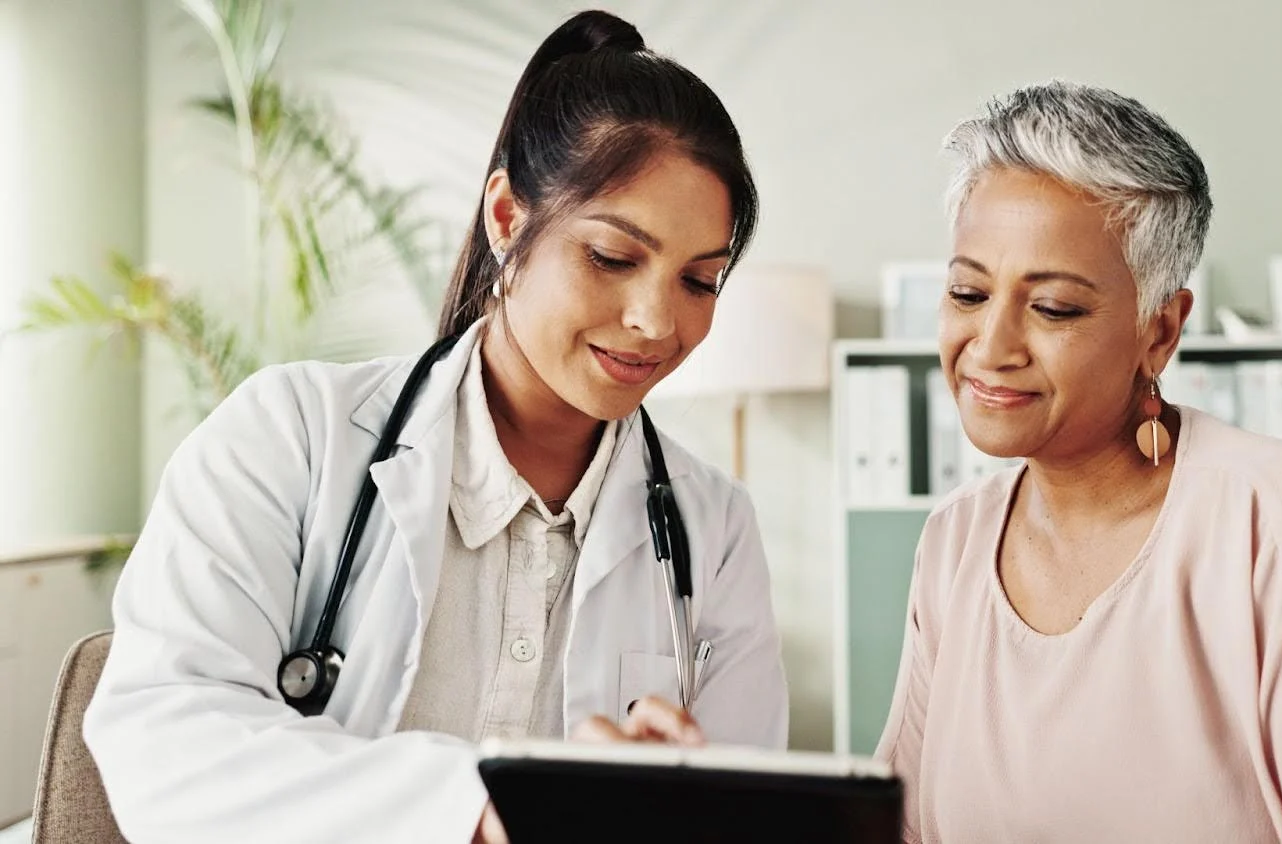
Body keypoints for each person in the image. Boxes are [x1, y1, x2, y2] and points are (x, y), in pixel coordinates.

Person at [83, 11, 788, 843]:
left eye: (699, 281)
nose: (653, 320)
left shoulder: (713, 529)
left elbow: (747, 814)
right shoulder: (289, 436)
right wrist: (487, 806)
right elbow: (166, 743)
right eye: (611, 257)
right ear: (506, 219)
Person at [876, 81, 1282, 842]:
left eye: (1052, 307)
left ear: (1160, 332)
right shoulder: (954, 541)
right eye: (966, 292)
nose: (990, 345)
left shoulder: (1276, 517)